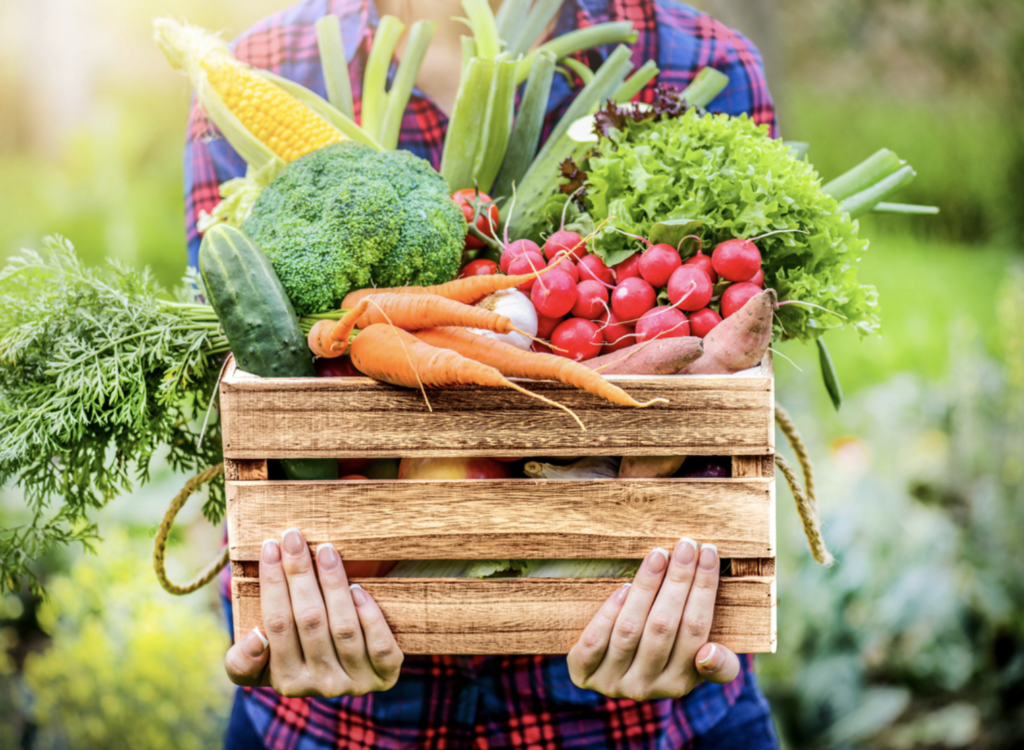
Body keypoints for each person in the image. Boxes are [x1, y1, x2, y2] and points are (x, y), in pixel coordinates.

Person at [185, 2, 780, 747]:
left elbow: (732, 409)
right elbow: (246, 386)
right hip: (335, 723)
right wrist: (284, 600)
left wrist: (693, 587)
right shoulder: (259, 64)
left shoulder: (703, 61)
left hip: (645, 720)